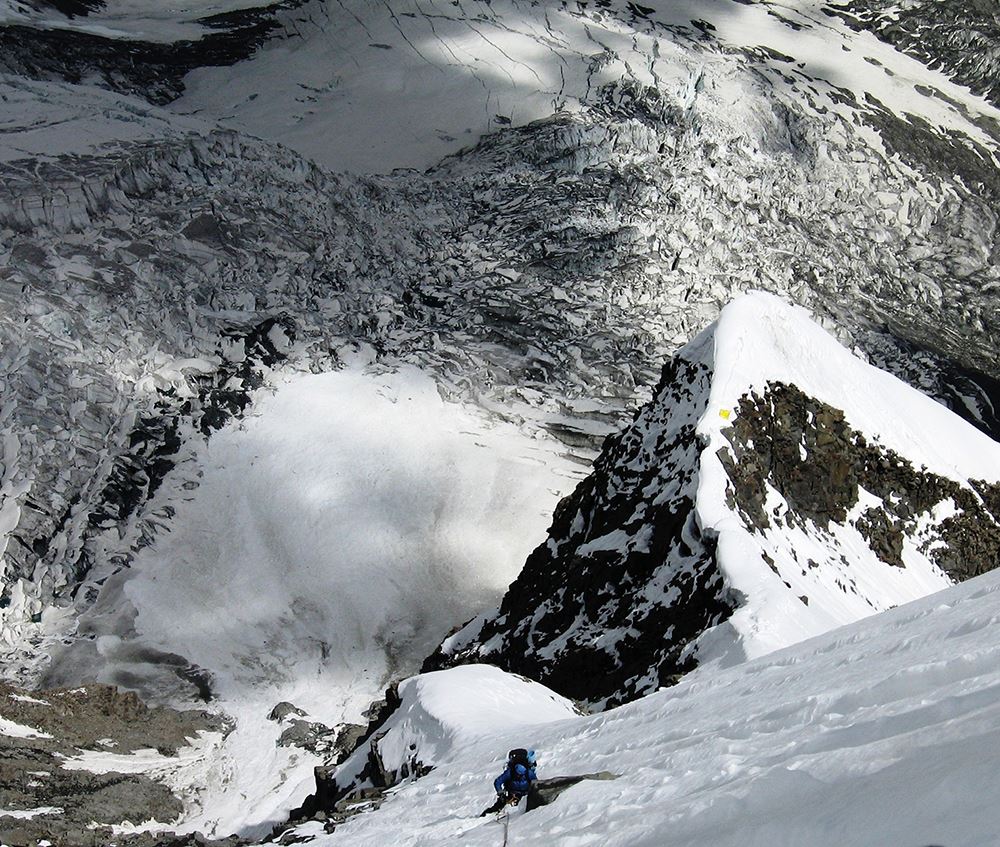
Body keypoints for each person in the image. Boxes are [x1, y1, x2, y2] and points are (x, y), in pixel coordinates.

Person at [480, 748, 537, 816]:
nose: (519, 775)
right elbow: (498, 782)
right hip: (512, 796)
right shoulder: (513, 772)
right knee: (499, 806)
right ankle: (487, 815)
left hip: (524, 796)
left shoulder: (524, 772)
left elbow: (535, 783)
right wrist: (501, 793)